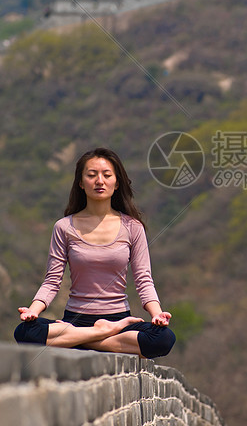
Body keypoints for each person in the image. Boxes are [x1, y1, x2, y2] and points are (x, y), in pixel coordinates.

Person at [14, 147, 176, 359]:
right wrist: (33, 311)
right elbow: (52, 280)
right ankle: (99, 334)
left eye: (107, 175)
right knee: (25, 332)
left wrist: (157, 316)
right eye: (92, 175)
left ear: (116, 183)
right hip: (75, 320)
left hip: (118, 319)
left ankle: (79, 341)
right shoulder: (64, 227)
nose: (99, 180)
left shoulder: (132, 227)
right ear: (81, 183)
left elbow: (143, 280)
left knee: (163, 339)